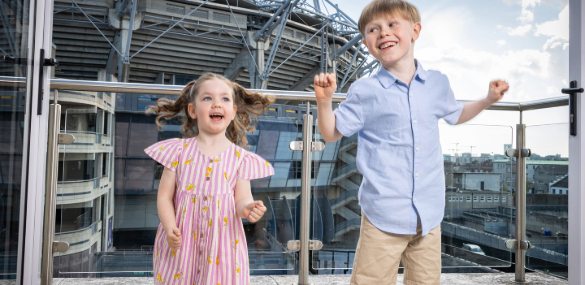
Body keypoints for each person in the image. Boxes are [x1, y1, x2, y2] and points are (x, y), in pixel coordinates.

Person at [314, 0, 509, 284]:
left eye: (392, 25)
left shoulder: (437, 83)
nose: (383, 33)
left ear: (415, 30)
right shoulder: (365, 90)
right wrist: (325, 102)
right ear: (366, 42)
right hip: (383, 216)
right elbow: (331, 133)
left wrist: (488, 100)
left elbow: (456, 115)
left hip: (428, 217)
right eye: (373, 29)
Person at [145, 72, 275, 284]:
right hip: (181, 243)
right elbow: (164, 198)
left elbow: (241, 199)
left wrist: (248, 208)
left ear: (233, 112)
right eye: (207, 98)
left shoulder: (240, 159)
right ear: (193, 110)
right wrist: (169, 228)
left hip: (223, 246)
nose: (216, 104)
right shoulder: (178, 152)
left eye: (224, 99)